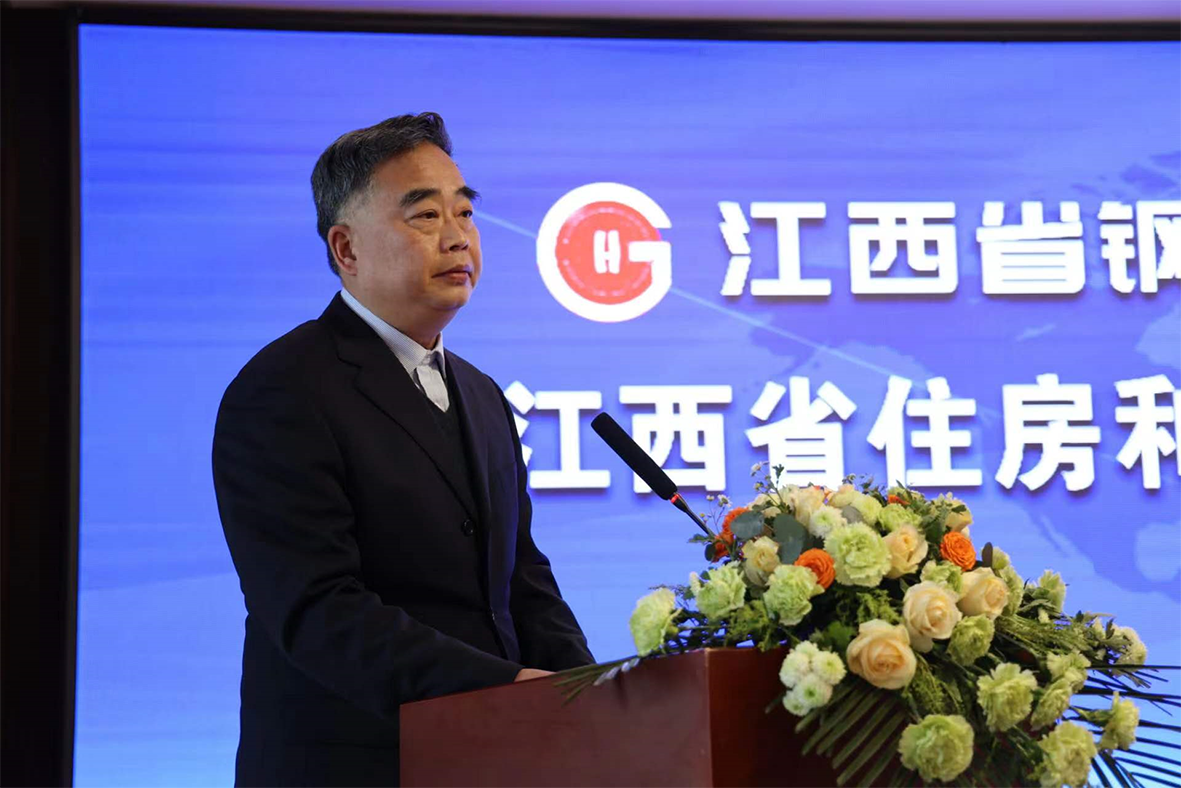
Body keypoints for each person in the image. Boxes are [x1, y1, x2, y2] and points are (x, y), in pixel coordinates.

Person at [212, 112, 593, 788]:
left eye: (465, 212)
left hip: (491, 761)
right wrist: (503, 688)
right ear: (346, 249)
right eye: (425, 216)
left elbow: (521, 579)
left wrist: (588, 693)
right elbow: (318, 608)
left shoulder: (480, 394)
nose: (458, 237)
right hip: (349, 765)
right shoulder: (283, 389)